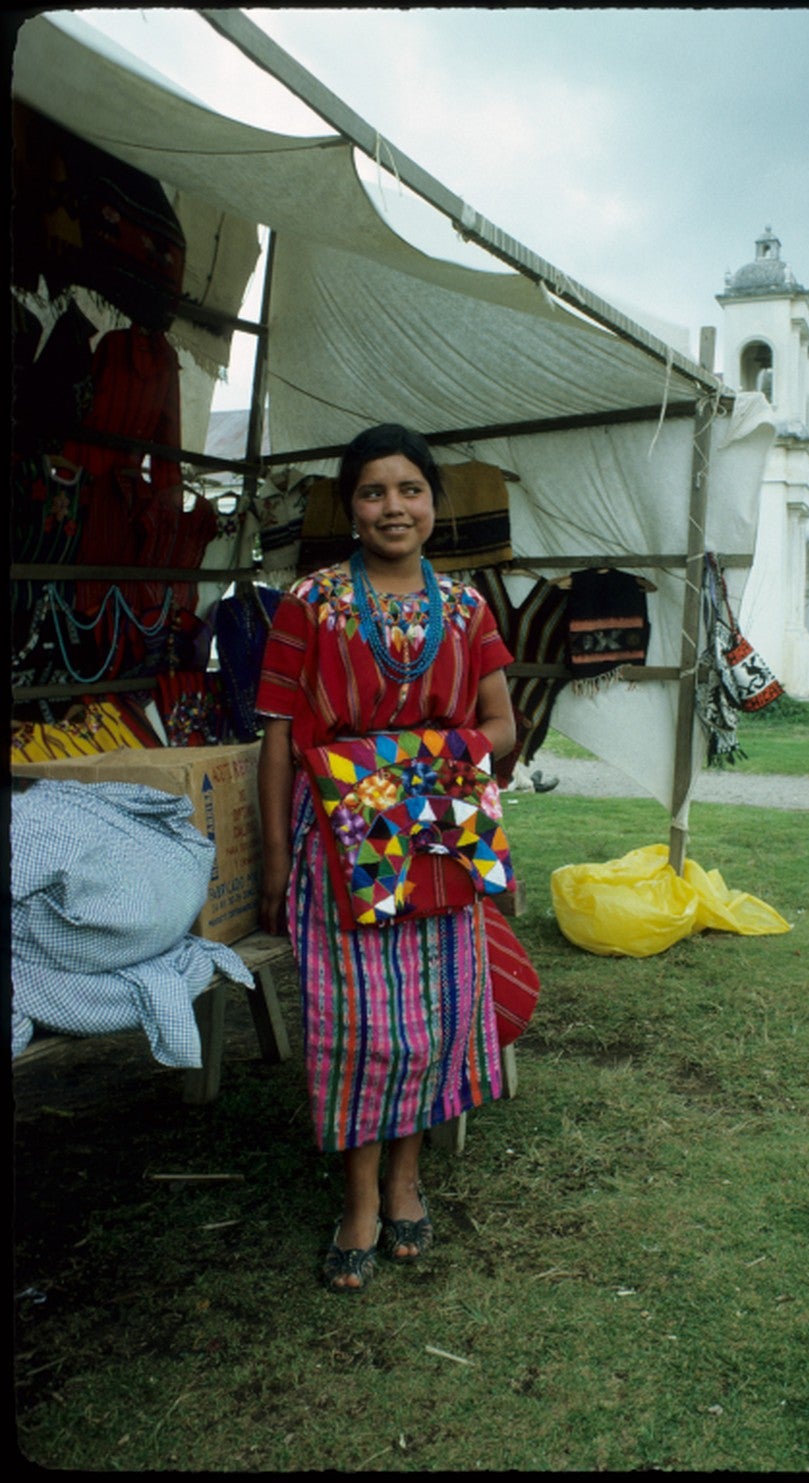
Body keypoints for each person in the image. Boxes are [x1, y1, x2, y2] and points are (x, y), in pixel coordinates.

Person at [255, 424, 516, 1294]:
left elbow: (504, 725)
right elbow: (281, 740)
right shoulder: (312, 601)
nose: (392, 506)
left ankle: (408, 1179)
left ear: (432, 502)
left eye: (409, 488)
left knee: (434, 1017)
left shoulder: (470, 607)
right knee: (361, 1024)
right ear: (352, 507)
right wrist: (272, 867)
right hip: (335, 838)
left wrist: (424, 769)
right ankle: (360, 1196)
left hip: (436, 830)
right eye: (373, 491)